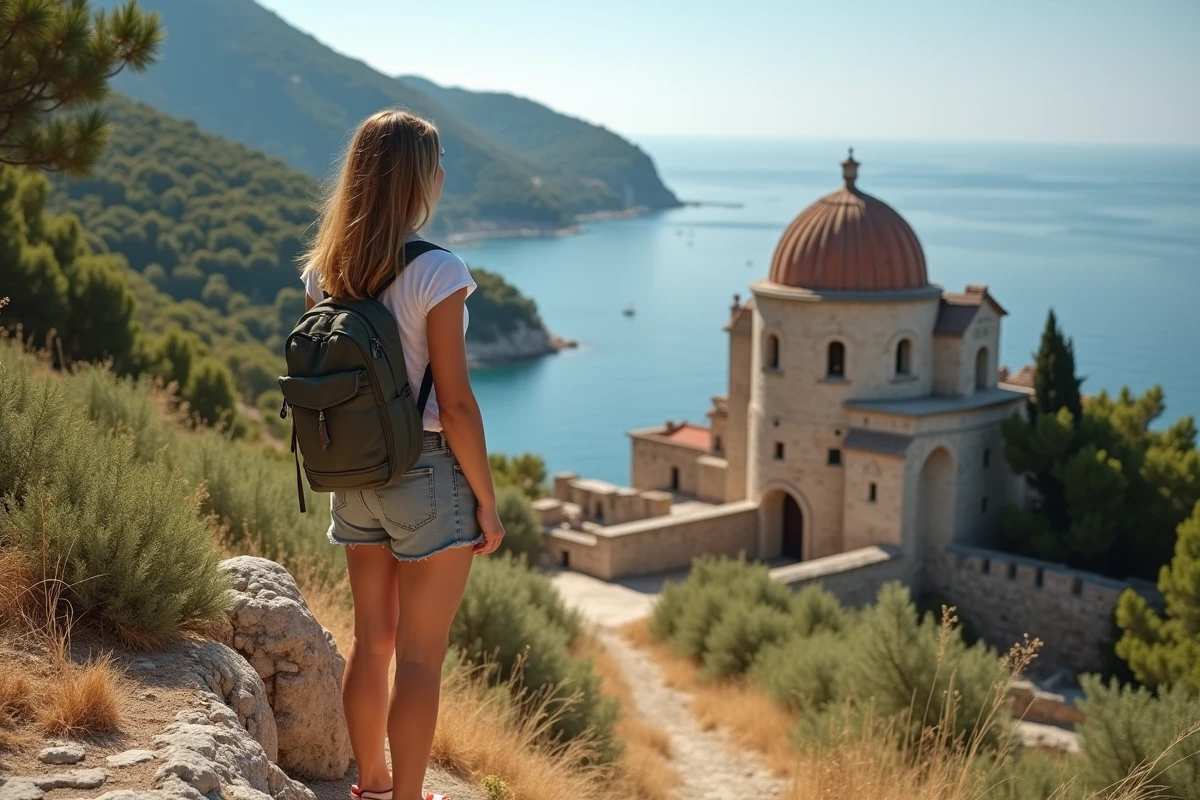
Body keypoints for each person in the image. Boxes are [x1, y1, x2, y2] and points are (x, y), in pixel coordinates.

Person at [300, 109, 505, 800]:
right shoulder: (438, 272)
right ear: (419, 179)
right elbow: (455, 406)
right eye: (437, 163)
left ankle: (374, 786)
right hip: (427, 476)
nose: (444, 174)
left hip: (351, 474)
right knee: (420, 657)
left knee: (372, 643)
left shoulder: (324, 272)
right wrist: (487, 499)